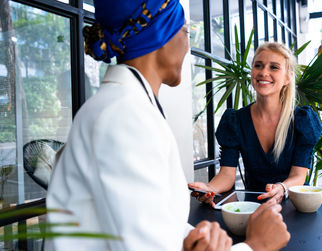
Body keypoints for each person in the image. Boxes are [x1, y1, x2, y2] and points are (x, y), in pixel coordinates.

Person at [46, 1, 290, 250]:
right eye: (186, 32)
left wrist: (189, 236)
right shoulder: (124, 117)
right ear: (163, 34)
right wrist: (256, 245)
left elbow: (140, 217)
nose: (188, 46)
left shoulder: (125, 109)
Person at [189, 42, 322, 207]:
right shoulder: (235, 121)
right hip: (253, 209)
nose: (264, 72)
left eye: (274, 67)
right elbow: (226, 175)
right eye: (258, 65)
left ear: (288, 77)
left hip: (294, 207)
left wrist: (282, 188)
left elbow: (298, 176)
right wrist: (209, 188)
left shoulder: (302, 121)